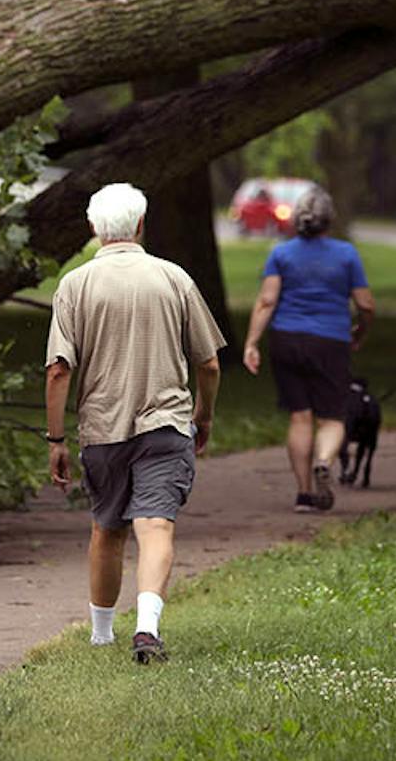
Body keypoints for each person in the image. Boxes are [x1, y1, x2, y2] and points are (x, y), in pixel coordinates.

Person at [45, 183, 224, 664]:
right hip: (165, 423)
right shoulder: (174, 279)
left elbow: (59, 369)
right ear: (142, 224)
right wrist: (203, 415)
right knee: (155, 526)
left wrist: (57, 438)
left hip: (103, 428)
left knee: (107, 529)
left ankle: (102, 634)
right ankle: (146, 628)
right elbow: (207, 363)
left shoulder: (74, 285)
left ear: (93, 229)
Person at [241, 186, 374, 512]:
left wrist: (251, 342)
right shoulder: (346, 254)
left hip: (286, 339)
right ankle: (325, 462)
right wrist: (361, 329)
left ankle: (303, 494)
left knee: (300, 417)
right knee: (331, 417)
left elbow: (267, 300)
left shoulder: (281, 254)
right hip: (331, 341)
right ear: (329, 219)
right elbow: (365, 303)